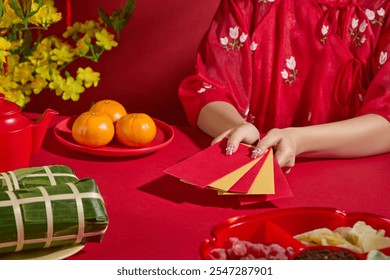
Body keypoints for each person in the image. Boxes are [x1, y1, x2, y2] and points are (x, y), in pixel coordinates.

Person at [178, 0, 390, 172]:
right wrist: (235, 128)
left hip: (350, 180)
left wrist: (297, 140)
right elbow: (208, 88)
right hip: (259, 169)